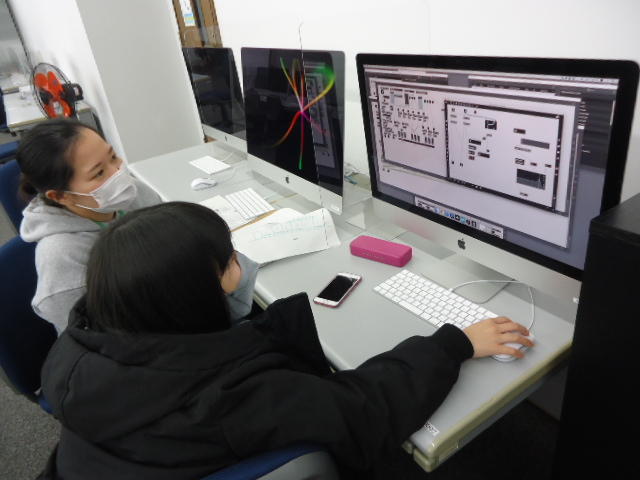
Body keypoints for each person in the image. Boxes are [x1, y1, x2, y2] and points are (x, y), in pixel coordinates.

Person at [37, 201, 534, 480]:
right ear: (193, 295)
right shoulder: (233, 396)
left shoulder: (81, 351)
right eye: (229, 260)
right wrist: (454, 343)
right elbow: (364, 411)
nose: (240, 264)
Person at [17, 118, 258, 333]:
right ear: (61, 196)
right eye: (99, 173)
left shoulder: (132, 193)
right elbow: (92, 342)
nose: (117, 173)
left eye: (113, 156)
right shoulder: (63, 259)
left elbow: (175, 242)